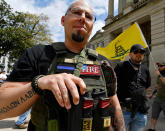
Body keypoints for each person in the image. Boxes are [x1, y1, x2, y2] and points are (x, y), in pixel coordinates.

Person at [0, 0, 125, 131]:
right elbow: (2, 108)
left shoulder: (103, 64)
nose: (82, 18)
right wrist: (38, 84)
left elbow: (114, 106)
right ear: (63, 20)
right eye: (76, 12)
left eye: (88, 16)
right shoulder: (38, 54)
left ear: (92, 26)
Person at [114, 44, 151, 131]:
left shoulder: (145, 69)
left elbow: (147, 87)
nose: (139, 54)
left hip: (140, 113)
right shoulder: (121, 66)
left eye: (142, 52)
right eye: (136, 52)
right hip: (123, 112)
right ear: (130, 54)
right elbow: (112, 87)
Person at [147, 62, 165, 131]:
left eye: (161, 66)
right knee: (154, 115)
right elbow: (157, 86)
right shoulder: (159, 76)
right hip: (158, 98)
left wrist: (159, 75)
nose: (159, 67)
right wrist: (152, 94)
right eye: (158, 66)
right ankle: (152, 129)